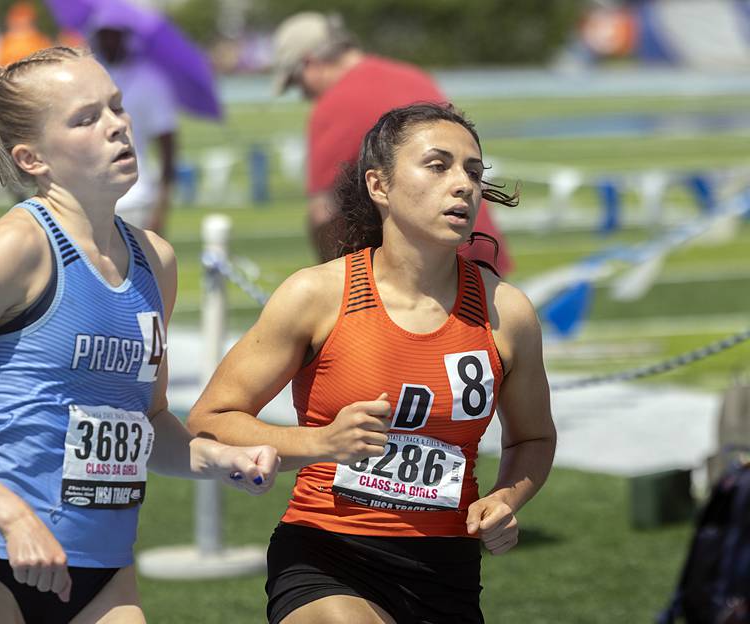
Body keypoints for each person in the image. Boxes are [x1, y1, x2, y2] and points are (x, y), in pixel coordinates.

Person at [188, 102, 556, 624]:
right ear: (379, 186)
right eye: (438, 165)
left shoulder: (507, 312)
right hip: (325, 554)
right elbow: (209, 422)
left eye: (473, 172)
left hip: (446, 571)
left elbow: (533, 439)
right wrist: (321, 443)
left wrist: (504, 500)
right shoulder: (316, 294)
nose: (463, 185)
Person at [0, 40, 278, 623]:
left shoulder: (157, 260)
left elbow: (149, 424)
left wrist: (219, 458)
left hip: (103, 571)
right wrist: (11, 515)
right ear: (32, 159)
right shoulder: (18, 247)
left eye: (117, 107)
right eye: (86, 118)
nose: (118, 127)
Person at [271, 11, 513, 274]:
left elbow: (323, 213)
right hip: (476, 241)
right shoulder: (413, 75)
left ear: (310, 63)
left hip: (421, 267)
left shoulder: (334, 104)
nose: (303, 94)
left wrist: (334, 280)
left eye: (298, 83)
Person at [89, 17, 178, 235]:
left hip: (136, 197)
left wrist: (162, 205)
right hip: (90, 198)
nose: (108, 40)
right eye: (103, 34)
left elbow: (167, 144)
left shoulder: (150, 81)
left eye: (114, 33)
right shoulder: (89, 76)